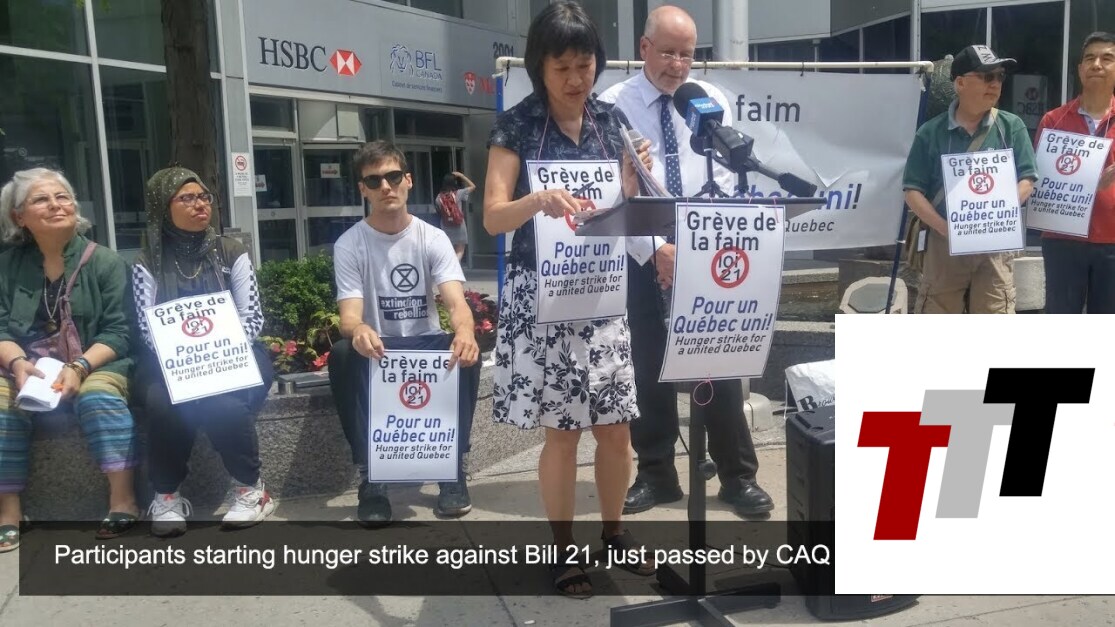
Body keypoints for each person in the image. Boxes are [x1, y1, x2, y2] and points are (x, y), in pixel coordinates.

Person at [484, 0, 655, 599]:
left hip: (602, 291)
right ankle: (561, 548)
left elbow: (626, 211)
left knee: (616, 428)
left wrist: (631, 186)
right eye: (563, 67)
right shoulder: (517, 125)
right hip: (545, 299)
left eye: (585, 65)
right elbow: (493, 217)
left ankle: (614, 532)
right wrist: (538, 200)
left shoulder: (611, 121)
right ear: (539, 66)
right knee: (563, 432)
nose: (577, 79)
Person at [597, 4, 775, 519]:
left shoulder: (711, 101)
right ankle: (656, 474)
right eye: (668, 53)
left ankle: (738, 477)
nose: (678, 65)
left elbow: (729, 180)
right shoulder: (611, 106)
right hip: (641, 249)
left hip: (707, 247)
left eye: (687, 55)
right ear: (644, 48)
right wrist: (656, 250)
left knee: (717, 362)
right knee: (648, 364)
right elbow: (614, 192)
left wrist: (708, 245)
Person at [328, 140, 480, 527]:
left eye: (393, 177)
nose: (386, 187)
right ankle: (372, 478)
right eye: (374, 181)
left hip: (424, 345)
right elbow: (349, 317)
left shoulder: (433, 238)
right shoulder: (350, 244)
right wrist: (360, 329)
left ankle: (452, 468)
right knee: (343, 354)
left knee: (465, 349)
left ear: (408, 181)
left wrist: (465, 332)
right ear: (363, 189)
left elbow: (456, 304)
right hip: (379, 349)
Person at [131, 166, 276, 536]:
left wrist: (218, 357)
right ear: (163, 207)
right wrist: (185, 364)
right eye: (187, 198)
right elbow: (147, 325)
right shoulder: (147, 261)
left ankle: (251, 489)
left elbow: (252, 315)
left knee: (223, 401)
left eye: (204, 197)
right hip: (171, 361)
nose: (200, 205)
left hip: (236, 354)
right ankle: (166, 495)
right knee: (164, 401)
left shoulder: (231, 251)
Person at [0, 168, 140, 551]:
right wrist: (17, 364)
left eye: (62, 197)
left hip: (96, 362)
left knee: (98, 398)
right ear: (19, 216)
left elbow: (120, 331)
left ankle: (124, 500)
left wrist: (79, 367)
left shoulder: (106, 262)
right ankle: (8, 512)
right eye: (41, 199)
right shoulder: (6, 266)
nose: (56, 205)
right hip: (24, 365)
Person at [903, 44, 1039, 314]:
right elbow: (912, 190)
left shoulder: (1012, 126)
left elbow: (1027, 179)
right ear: (960, 83)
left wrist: (996, 213)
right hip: (944, 244)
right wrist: (945, 229)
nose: (995, 84)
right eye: (987, 76)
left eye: (999, 76)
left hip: (995, 245)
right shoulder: (930, 132)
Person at [1037, 32, 1115, 313]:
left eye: (1107, 58)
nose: (1097, 64)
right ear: (1081, 69)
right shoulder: (1053, 120)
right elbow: (1041, 181)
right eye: (1090, 58)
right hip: (1062, 241)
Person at [435, 171, 477, 261]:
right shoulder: (458, 193)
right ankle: (455, 265)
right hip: (459, 225)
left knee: (448, 249)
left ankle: (449, 265)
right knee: (460, 249)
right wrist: (461, 176)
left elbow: (439, 211)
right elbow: (473, 186)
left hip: (446, 226)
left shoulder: (438, 197)